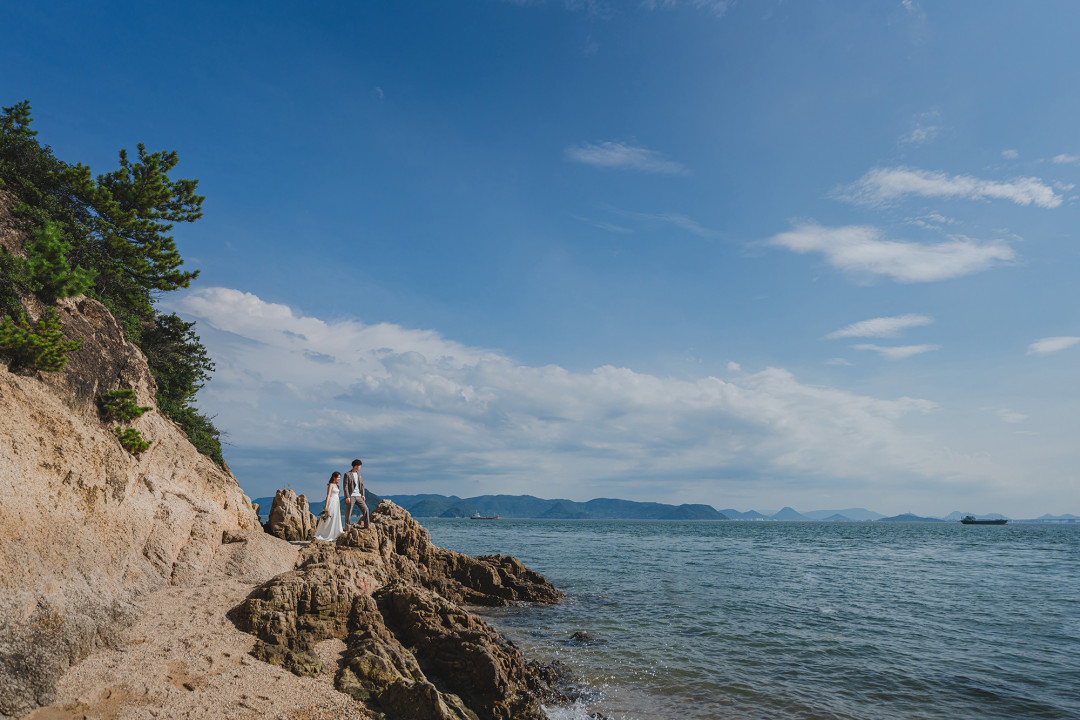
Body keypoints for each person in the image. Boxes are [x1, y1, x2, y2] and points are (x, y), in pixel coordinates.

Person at [313, 472, 344, 541]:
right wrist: (326, 506)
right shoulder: (331, 485)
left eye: (340, 477)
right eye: (338, 477)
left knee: (335, 517)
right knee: (329, 517)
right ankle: (325, 533)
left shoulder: (337, 486)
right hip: (332, 502)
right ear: (334, 477)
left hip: (337, 502)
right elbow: (328, 495)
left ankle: (334, 533)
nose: (339, 479)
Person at [343, 459, 370, 529]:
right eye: (359, 465)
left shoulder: (360, 474)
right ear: (355, 466)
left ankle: (367, 525)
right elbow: (345, 487)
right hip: (351, 496)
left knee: (366, 509)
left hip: (359, 496)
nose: (360, 467)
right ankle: (347, 527)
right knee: (348, 513)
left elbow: (362, 485)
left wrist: (363, 494)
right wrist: (347, 496)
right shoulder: (347, 474)